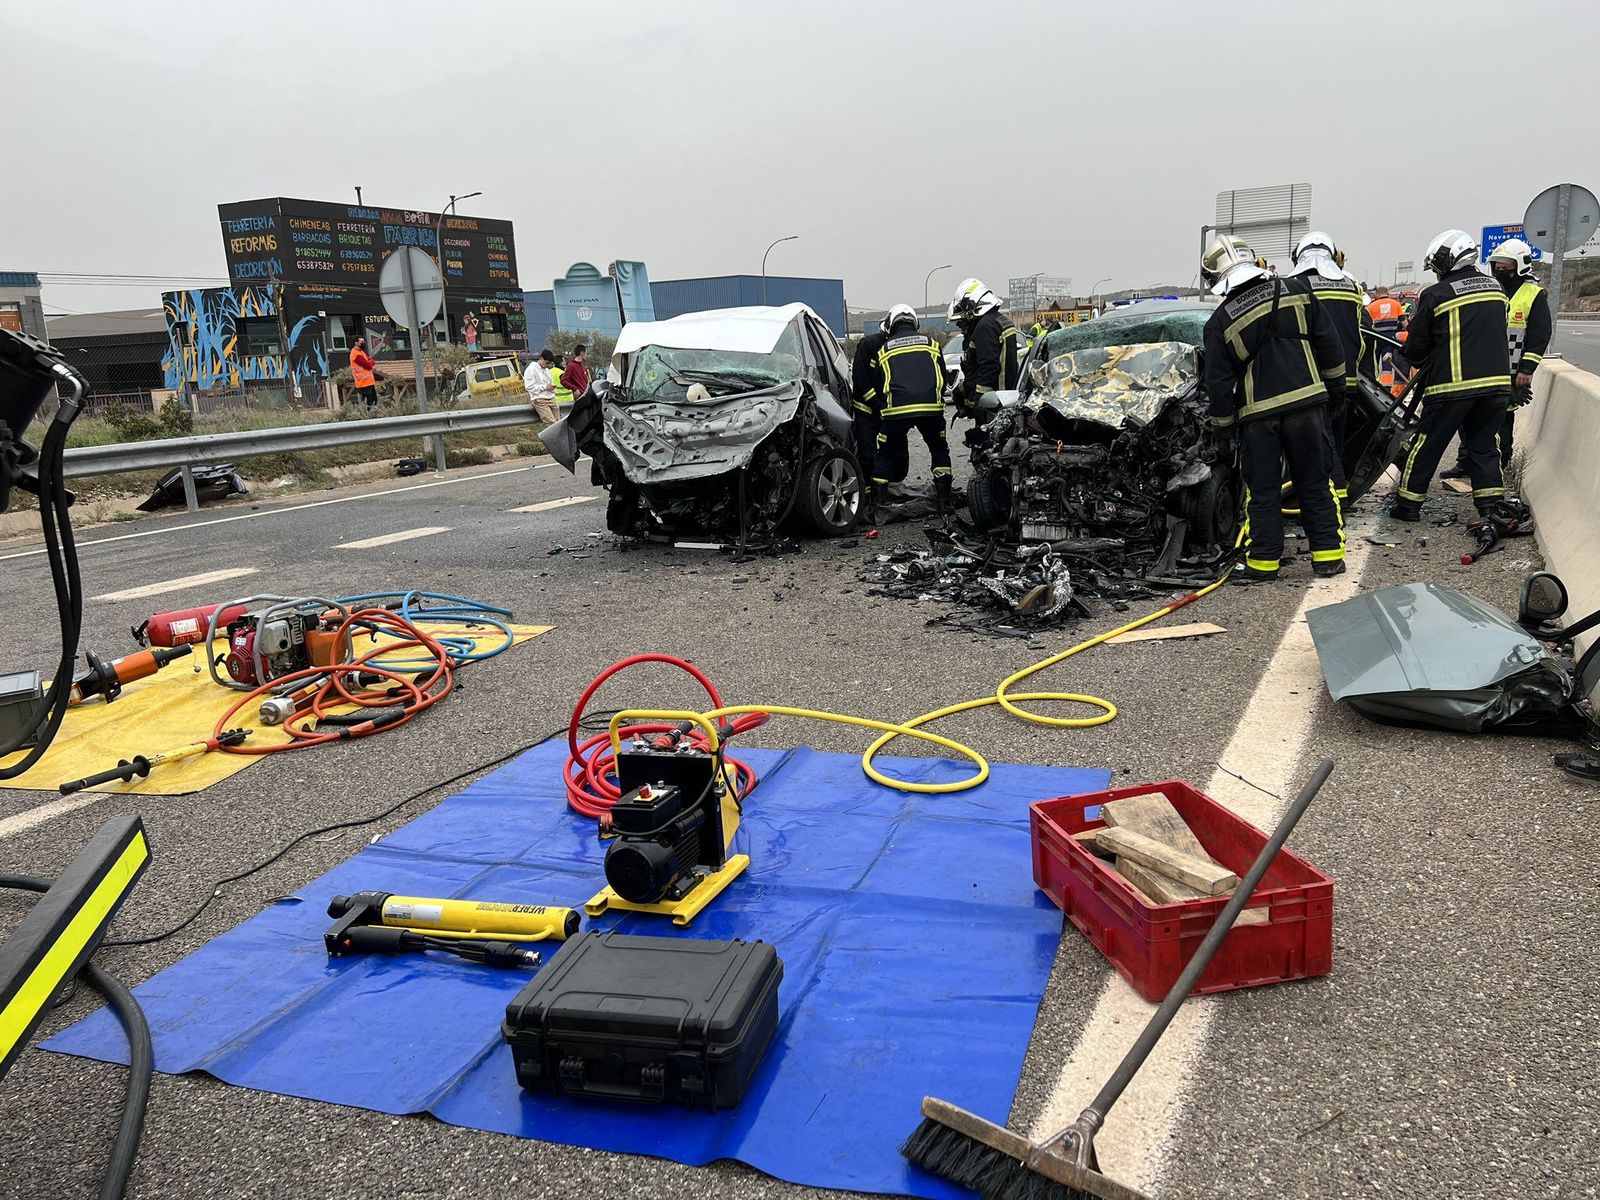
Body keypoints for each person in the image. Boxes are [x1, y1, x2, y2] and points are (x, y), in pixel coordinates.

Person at [1200, 234, 1347, 582]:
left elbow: (1218, 386)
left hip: (1258, 418)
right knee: (1315, 481)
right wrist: (1336, 390)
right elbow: (1329, 344)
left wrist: (1223, 431)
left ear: (1214, 277)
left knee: (1262, 491)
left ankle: (1263, 564)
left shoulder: (1220, 322)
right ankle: (1328, 557)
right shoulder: (1296, 291)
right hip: (1308, 405)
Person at [1390, 229, 1511, 522]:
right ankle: (1490, 507)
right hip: (1496, 386)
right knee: (1484, 445)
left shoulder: (1437, 294)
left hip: (1451, 387)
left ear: (1447, 261)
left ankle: (1407, 505)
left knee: (1427, 445)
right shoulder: (1496, 289)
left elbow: (1417, 347)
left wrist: (1412, 353)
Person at [1443, 236, 1550, 477]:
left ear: (1519, 265)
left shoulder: (1533, 294)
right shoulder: (1490, 289)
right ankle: (1465, 462)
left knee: (1501, 422)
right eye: (1497, 264)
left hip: (1512, 370)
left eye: (1505, 265)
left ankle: (1499, 467)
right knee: (1468, 417)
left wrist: (1526, 370)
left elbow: (1539, 335)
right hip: (1484, 367)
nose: (1500, 269)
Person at [1288, 231, 1364, 499]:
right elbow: (1359, 337)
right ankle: (1334, 497)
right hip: (1347, 380)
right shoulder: (1352, 286)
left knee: (1314, 446)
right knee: (1336, 441)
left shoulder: (1292, 286)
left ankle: (1329, 501)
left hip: (1309, 381)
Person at [868, 304, 952, 511]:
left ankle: (879, 504)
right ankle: (943, 500)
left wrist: (885, 406)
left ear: (890, 325)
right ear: (915, 323)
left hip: (896, 411)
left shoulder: (884, 350)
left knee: (885, 453)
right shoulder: (932, 345)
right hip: (930, 409)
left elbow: (879, 384)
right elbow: (942, 376)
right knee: (939, 450)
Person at [947, 278, 1018, 411]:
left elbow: (988, 366)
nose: (962, 325)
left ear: (971, 305)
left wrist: (978, 400)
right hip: (1006, 398)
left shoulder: (984, 327)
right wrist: (961, 390)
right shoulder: (999, 321)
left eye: (963, 319)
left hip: (995, 403)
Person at [850, 318, 891, 515]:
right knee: (866, 453)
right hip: (865, 409)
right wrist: (877, 404)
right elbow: (860, 378)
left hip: (885, 409)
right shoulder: (869, 344)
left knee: (888, 450)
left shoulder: (895, 346)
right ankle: (866, 494)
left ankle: (881, 492)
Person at [1362, 285, 1406, 383]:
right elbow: (1404, 322)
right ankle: (1387, 385)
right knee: (1387, 361)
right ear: (1387, 292)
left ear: (1377, 293)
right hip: (1391, 338)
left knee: (1374, 362)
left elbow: (1366, 322)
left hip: (1376, 337)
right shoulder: (1396, 304)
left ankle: (1373, 382)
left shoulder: (1371, 306)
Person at [522, 348, 560, 424]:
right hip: (539, 399)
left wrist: (551, 388)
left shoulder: (547, 371)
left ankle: (557, 435)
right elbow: (529, 387)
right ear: (541, 358)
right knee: (551, 423)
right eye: (547, 363)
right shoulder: (531, 369)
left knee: (558, 422)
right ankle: (552, 435)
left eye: (549, 363)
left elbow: (549, 383)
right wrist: (545, 387)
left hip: (550, 398)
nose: (547, 365)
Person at [349, 336, 379, 408]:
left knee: (373, 401)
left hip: (368, 382)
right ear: (356, 343)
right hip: (363, 383)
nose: (363, 343)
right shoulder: (356, 354)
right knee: (369, 403)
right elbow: (368, 365)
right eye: (361, 342)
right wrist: (370, 362)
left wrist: (370, 362)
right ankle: (369, 416)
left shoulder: (361, 352)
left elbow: (370, 360)